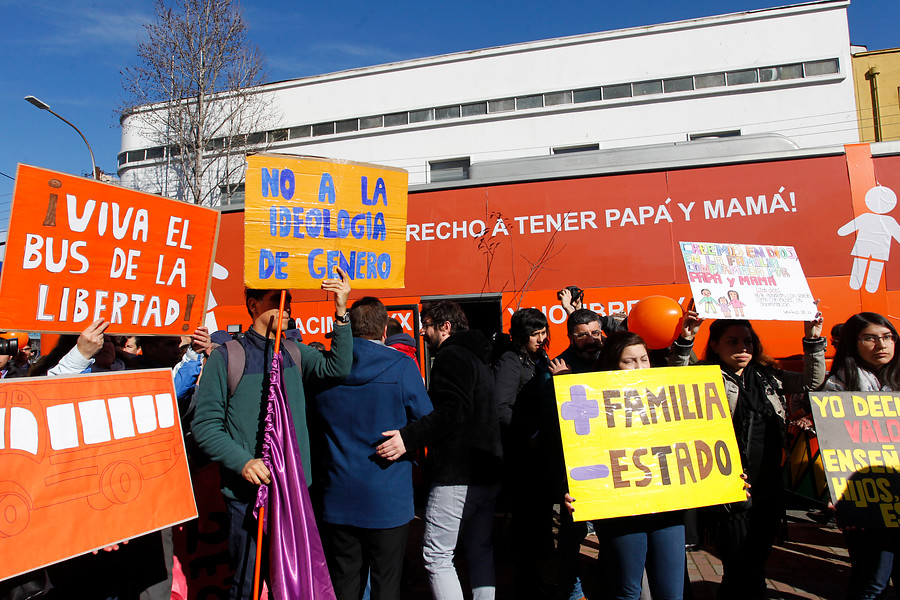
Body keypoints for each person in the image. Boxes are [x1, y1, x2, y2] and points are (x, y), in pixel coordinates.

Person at [191, 270, 353, 600]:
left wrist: (340, 311)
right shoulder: (226, 357)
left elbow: (338, 368)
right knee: (248, 584)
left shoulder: (295, 351)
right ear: (253, 305)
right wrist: (243, 462)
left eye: (289, 300)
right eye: (276, 300)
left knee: (295, 583)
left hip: (293, 491)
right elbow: (206, 426)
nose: (287, 306)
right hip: (247, 498)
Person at [670, 309, 825, 600]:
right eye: (732, 341)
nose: (742, 348)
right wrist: (686, 338)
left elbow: (810, 382)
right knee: (738, 560)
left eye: (748, 341)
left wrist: (813, 339)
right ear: (714, 345)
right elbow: (677, 377)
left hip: (768, 483)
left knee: (755, 559)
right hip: (730, 485)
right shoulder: (705, 377)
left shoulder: (770, 377)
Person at [309, 297, 433, 600]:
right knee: (386, 586)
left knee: (344, 584)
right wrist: (407, 439)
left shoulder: (325, 371)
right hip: (387, 500)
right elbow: (430, 422)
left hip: (337, 496)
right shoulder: (402, 366)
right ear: (383, 331)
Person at [378, 301, 501, 600]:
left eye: (428, 324)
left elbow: (451, 411)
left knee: (437, 557)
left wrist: (408, 437)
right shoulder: (478, 358)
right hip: (487, 470)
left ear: (445, 327)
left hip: (458, 473)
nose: (422, 331)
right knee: (480, 550)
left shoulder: (451, 357)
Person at [592, 331, 685, 600]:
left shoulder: (668, 396)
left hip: (666, 504)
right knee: (628, 590)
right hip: (622, 507)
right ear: (612, 364)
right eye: (629, 361)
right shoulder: (594, 403)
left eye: (644, 359)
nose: (639, 367)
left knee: (671, 592)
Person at [823, 312, 900, 600]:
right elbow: (837, 445)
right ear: (852, 344)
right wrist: (837, 489)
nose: (881, 344)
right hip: (865, 500)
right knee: (872, 581)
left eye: (887, 337)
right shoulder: (838, 386)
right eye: (870, 338)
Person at [492, 308, 553, 596]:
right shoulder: (510, 360)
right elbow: (501, 407)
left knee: (541, 522)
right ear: (520, 336)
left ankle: (538, 578)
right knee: (527, 524)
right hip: (523, 456)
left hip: (541, 455)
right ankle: (526, 584)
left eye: (543, 332)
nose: (541, 338)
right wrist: (532, 433)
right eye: (535, 334)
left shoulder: (540, 357)